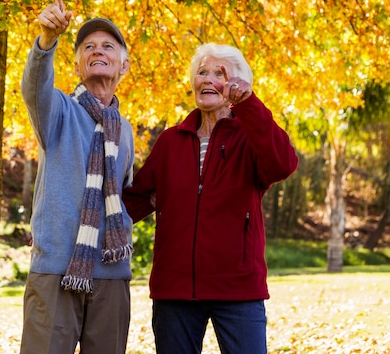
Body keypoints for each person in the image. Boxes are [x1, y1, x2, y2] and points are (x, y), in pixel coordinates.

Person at [123, 43, 299, 354]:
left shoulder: (251, 136)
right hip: (174, 290)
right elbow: (131, 202)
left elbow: (284, 163)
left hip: (238, 287)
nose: (207, 79)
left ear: (237, 86)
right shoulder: (169, 141)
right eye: (201, 72)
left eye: (219, 73)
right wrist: (66, 225)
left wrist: (249, 105)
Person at [19, 0, 135, 354]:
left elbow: (126, 197)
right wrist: (46, 42)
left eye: (107, 46)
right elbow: (34, 86)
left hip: (111, 274)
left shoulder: (126, 131)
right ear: (76, 65)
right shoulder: (57, 111)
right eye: (88, 46)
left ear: (124, 64)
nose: (97, 50)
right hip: (55, 269)